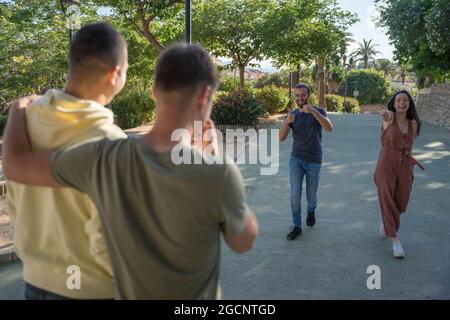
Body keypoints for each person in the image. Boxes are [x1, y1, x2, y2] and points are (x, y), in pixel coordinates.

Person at [3, 43, 259, 299]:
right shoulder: (217, 173)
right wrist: (211, 158)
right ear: (204, 96)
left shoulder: (102, 157)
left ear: (154, 93)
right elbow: (243, 241)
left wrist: (18, 108)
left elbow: (16, 166)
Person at [6, 22, 128, 299]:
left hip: (35, 283)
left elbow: (15, 202)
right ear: (114, 74)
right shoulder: (109, 142)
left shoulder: (25, 123)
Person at [279, 84, 333, 240]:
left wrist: (314, 112)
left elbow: (329, 128)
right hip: (296, 159)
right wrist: (286, 122)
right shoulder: (293, 114)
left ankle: (311, 210)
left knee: (311, 195)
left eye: (302, 95)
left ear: (309, 95)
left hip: (314, 160)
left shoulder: (319, 111)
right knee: (295, 194)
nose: (299, 98)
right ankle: (296, 225)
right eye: (297, 95)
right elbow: (281, 138)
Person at [374, 90, 424, 258]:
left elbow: (410, 145)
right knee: (387, 198)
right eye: (398, 100)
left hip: (405, 164)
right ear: (394, 104)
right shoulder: (389, 118)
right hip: (386, 162)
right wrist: (385, 113)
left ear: (409, 103)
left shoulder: (413, 124)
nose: (402, 103)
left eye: (405, 100)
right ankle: (395, 240)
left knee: (402, 201)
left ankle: (386, 219)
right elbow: (386, 114)